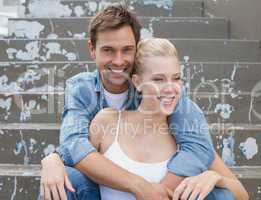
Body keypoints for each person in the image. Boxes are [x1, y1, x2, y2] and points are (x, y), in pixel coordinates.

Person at [38, 5, 246, 200]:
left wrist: (212, 178)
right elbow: (74, 145)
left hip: (162, 185)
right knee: (65, 179)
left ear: (136, 49)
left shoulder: (169, 99)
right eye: (108, 50)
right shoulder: (82, 89)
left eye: (127, 49)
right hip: (102, 187)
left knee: (216, 194)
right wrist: (53, 158)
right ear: (92, 49)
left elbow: (198, 148)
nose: (119, 61)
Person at [88, 37, 248, 200]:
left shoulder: (188, 139)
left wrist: (214, 177)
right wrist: (58, 159)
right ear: (137, 82)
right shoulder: (108, 121)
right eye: (159, 79)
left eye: (176, 78)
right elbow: (76, 164)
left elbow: (241, 195)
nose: (171, 88)